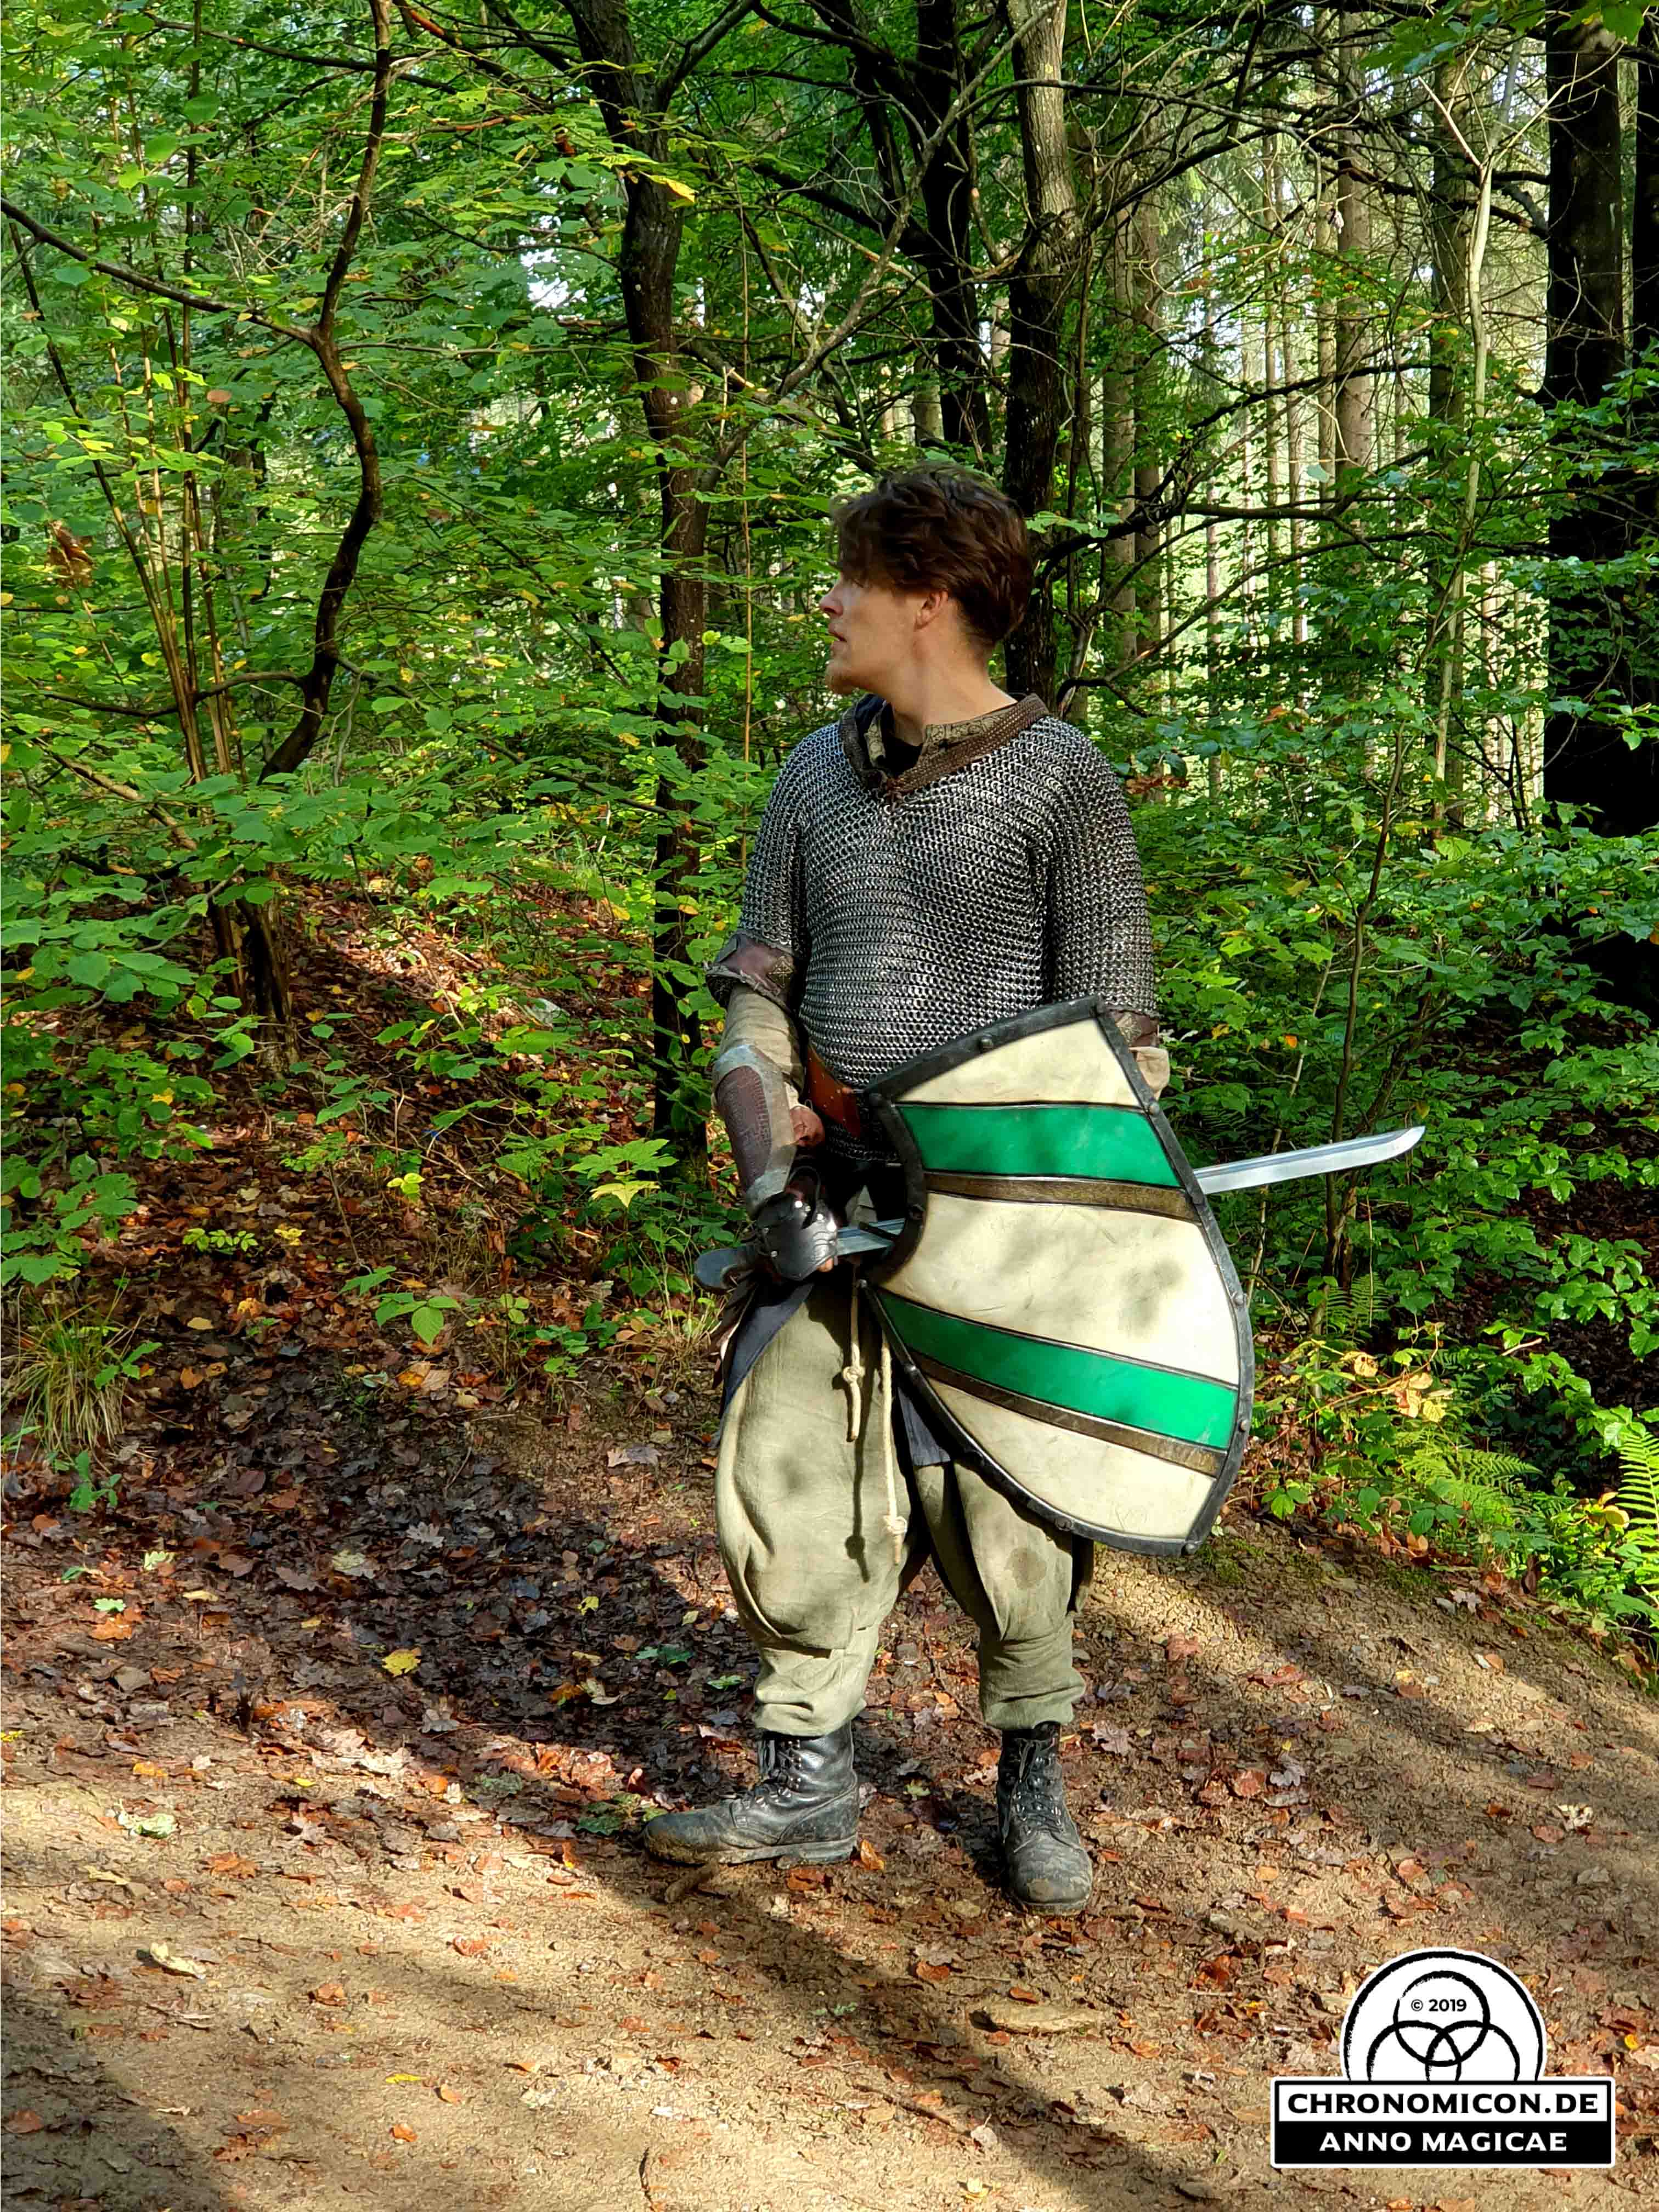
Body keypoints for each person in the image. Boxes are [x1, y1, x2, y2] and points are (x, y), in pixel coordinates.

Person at [644, 465, 1167, 1913]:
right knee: (789, 1464)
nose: (828, 602)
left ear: (927, 601)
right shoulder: (813, 779)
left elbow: (1120, 1034)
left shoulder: (1061, 781)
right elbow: (759, 993)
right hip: (832, 1194)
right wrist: (768, 1172)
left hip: (1004, 1217)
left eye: (853, 580)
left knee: (1009, 1495)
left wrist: (1078, 1204)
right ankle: (807, 1781)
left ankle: (1032, 1780)